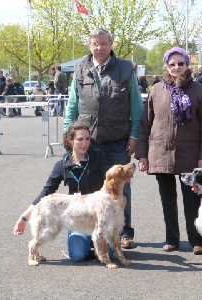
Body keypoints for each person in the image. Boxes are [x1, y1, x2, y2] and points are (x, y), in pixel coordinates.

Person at [64, 28, 143, 249]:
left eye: (104, 44)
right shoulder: (80, 69)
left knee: (121, 188)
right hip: (89, 142)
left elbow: (137, 106)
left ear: (111, 44)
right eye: (95, 44)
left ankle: (124, 232)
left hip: (118, 140)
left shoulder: (126, 69)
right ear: (89, 45)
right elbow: (72, 106)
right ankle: (95, 232)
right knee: (92, 188)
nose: (99, 48)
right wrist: (69, 136)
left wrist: (134, 135)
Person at [135, 47, 202, 255]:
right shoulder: (156, 90)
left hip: (189, 153)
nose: (176, 67)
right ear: (167, 67)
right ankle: (172, 239)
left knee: (192, 199)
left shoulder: (198, 90)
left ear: (187, 65)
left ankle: (197, 240)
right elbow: (145, 124)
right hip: (160, 152)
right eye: (172, 64)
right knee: (167, 200)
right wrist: (142, 154)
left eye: (181, 63)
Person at [13, 122, 114, 261]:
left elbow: (110, 176)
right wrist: (24, 217)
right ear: (70, 140)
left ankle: (95, 243)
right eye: (80, 139)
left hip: (99, 215)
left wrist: (122, 175)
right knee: (78, 255)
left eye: (87, 139)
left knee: (111, 255)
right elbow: (47, 191)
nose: (85, 143)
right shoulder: (61, 165)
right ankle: (88, 245)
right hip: (77, 217)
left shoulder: (98, 156)